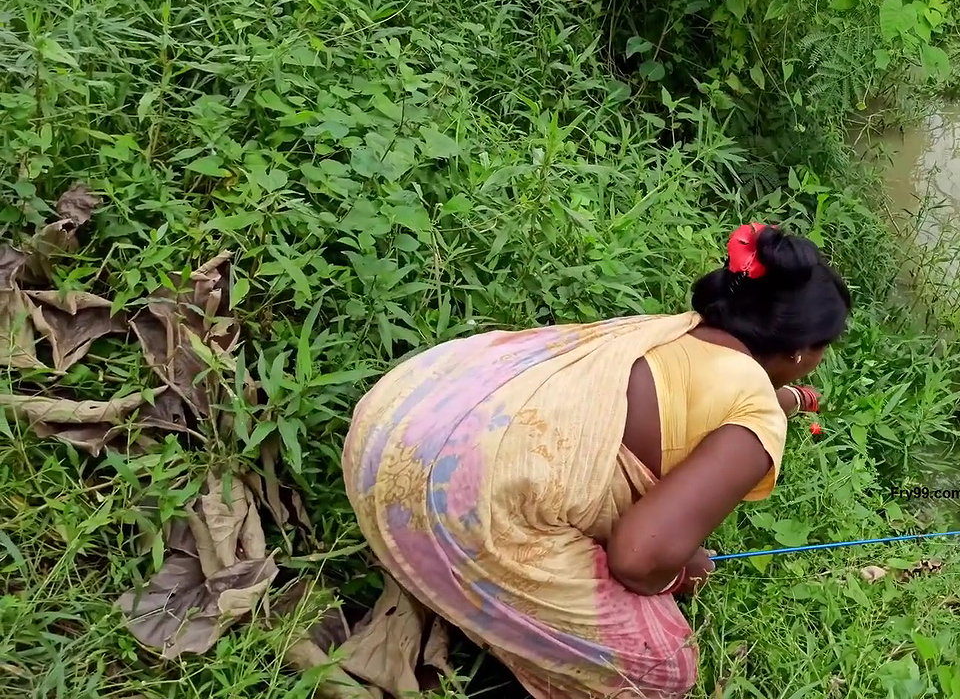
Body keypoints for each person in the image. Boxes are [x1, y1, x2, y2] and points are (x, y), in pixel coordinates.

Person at [341, 222, 852, 698]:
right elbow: (638, 557)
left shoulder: (671, 332)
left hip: (390, 428)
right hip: (442, 507)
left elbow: (707, 397)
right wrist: (678, 572)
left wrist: (792, 400)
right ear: (804, 351)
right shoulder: (753, 419)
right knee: (667, 667)